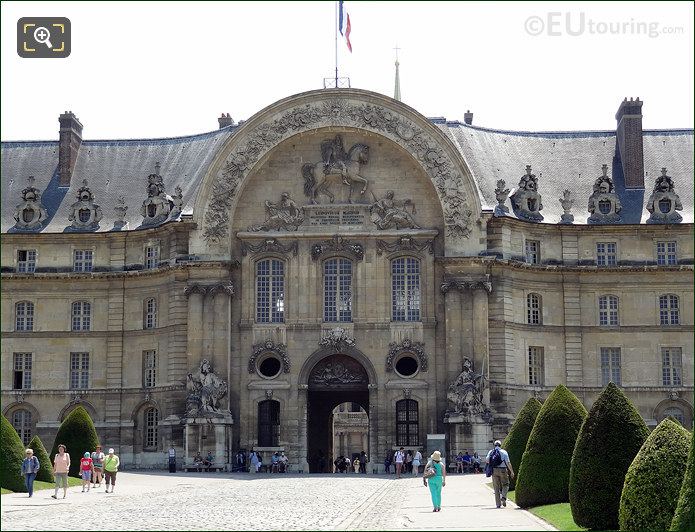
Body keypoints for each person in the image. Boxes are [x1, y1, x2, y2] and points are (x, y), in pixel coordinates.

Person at [486, 440, 514, 508]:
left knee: (496, 488)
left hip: (494, 470)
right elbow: (508, 463)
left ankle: (498, 504)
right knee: (506, 484)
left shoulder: (491, 452)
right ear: (500, 445)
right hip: (503, 470)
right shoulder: (504, 452)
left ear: (494, 445)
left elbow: (487, 461)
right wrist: (512, 471)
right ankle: (503, 497)